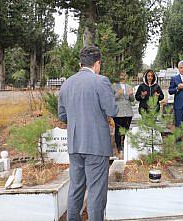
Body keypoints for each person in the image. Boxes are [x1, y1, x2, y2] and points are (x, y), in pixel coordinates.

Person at [58, 45, 118, 221]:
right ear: (97, 64)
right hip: (96, 145)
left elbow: (62, 115)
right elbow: (112, 110)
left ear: (80, 63)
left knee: (76, 188)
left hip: (75, 144)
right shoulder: (101, 81)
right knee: (96, 192)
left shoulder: (67, 83)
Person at [112, 71, 134, 158]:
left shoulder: (129, 86)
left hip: (128, 112)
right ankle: (118, 148)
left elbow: (132, 100)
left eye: (124, 75)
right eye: (121, 75)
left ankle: (125, 145)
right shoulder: (114, 86)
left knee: (126, 130)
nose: (123, 76)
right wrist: (118, 94)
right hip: (118, 113)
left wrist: (131, 95)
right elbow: (111, 99)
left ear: (127, 76)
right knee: (118, 131)